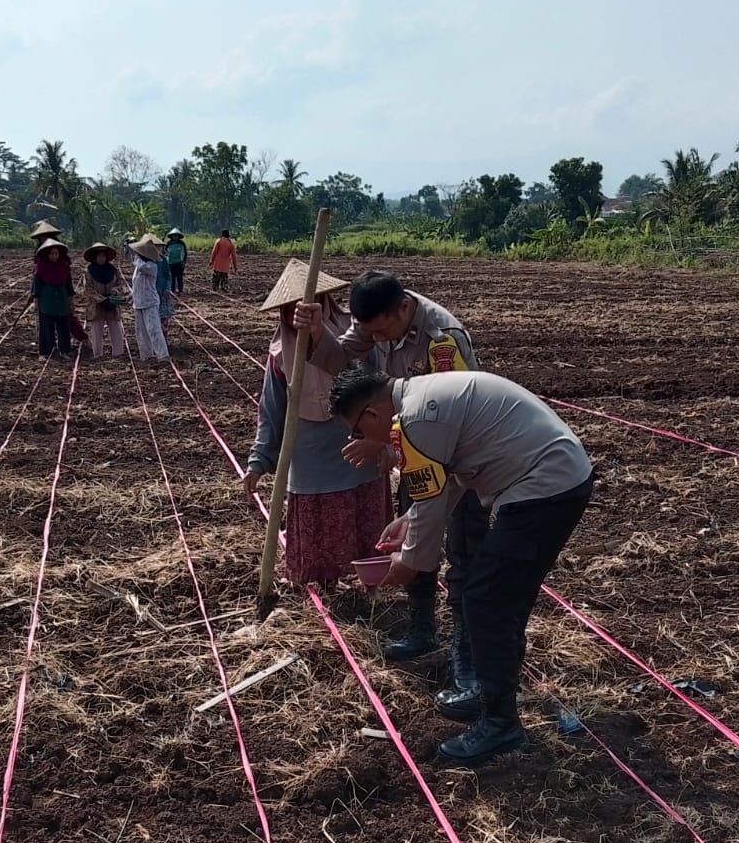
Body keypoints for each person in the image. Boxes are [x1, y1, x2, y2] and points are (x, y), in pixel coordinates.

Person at [330, 366, 595, 764]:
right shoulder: (423, 399)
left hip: (545, 487)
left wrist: (408, 564)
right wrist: (409, 521)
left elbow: (431, 501)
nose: (362, 438)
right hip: (554, 479)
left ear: (371, 414)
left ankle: (500, 724)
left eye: (357, 431)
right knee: (500, 597)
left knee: (486, 598)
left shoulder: (416, 419)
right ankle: (493, 694)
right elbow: (448, 479)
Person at [296, 270, 488, 717]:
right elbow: (343, 363)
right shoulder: (373, 321)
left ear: (404, 308)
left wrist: (382, 441)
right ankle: (422, 627)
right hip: (415, 449)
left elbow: (456, 415)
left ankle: (467, 654)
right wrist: (316, 333)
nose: (377, 340)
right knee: (410, 535)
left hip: (462, 458)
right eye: (371, 333)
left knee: (463, 552)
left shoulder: (443, 339)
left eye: (382, 333)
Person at [243, 261, 391, 587]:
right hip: (310, 459)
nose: (297, 315)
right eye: (290, 309)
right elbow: (271, 412)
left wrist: (380, 442)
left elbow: (380, 392)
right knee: (320, 546)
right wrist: (258, 460)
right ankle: (326, 590)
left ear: (323, 303)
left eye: (306, 306)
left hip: (358, 452)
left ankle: (373, 591)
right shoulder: (280, 353)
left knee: (367, 532)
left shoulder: (357, 337)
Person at [28, 238, 86, 359]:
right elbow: (37, 286)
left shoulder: (64, 266)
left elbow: (69, 286)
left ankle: (64, 351)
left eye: (56, 253)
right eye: (52, 253)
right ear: (47, 254)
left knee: (64, 326)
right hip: (47, 299)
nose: (54, 256)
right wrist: (36, 301)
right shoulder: (41, 267)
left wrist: (71, 300)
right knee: (46, 327)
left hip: (61, 298)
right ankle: (46, 352)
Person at [80, 243, 128, 360]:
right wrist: (101, 299)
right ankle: (97, 354)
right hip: (96, 304)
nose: (101, 258)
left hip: (112, 303)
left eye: (103, 256)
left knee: (116, 328)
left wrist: (114, 292)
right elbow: (88, 289)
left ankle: (118, 353)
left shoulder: (113, 270)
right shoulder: (89, 271)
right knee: (96, 330)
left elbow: (120, 284)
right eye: (99, 256)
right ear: (95, 257)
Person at [129, 237, 169, 366]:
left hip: (150, 302)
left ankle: (162, 355)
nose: (136, 255)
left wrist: (136, 258)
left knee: (153, 329)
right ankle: (146, 355)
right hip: (138, 302)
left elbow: (140, 265)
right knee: (141, 331)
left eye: (138, 253)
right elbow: (136, 284)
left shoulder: (151, 266)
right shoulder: (139, 267)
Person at [164, 228, 188, 295]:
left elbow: (184, 253)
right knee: (172, 277)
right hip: (171, 263)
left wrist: (183, 261)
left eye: (176, 235)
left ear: (178, 236)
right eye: (173, 236)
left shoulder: (181, 243)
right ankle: (173, 290)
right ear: (171, 236)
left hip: (179, 263)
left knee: (179, 277)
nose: (175, 237)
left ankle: (180, 289)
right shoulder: (168, 244)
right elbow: (166, 253)